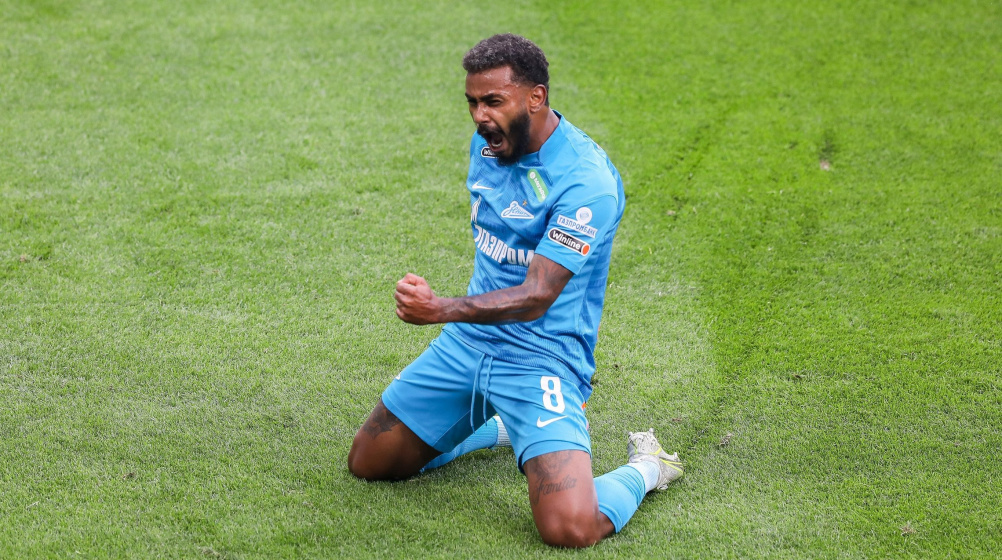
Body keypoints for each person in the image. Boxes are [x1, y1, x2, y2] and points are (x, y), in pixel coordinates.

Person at [347, 33, 683, 548]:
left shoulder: (585, 181)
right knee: (370, 463)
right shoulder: (489, 147)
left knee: (569, 529)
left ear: (536, 97)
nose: (480, 117)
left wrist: (440, 309)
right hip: (469, 344)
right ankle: (506, 428)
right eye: (472, 103)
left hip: (541, 359)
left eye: (493, 102)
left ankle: (648, 467)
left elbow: (537, 295)